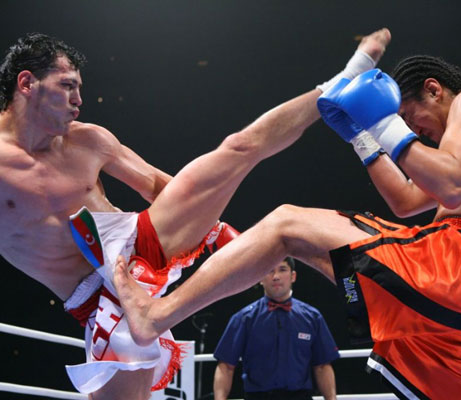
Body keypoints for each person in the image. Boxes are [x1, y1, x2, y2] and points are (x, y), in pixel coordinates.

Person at [114, 54, 461, 399]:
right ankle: (361, 301)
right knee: (306, 247)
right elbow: (407, 201)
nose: (414, 132)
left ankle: (155, 317)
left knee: (285, 223)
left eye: (411, 117)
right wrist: (363, 136)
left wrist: (385, 124)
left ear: (434, 89)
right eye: (405, 125)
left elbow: (450, 183)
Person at [0, 29, 390, 400]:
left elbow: (154, 186)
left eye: (79, 87)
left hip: (143, 240)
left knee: (238, 149)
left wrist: (210, 226)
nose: (79, 100)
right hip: (99, 300)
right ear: (27, 84)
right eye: (68, 85)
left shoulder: (88, 140)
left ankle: (336, 85)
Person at [213, 257, 339, 400]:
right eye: (269, 271)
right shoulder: (244, 318)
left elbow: (322, 366)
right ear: (259, 278)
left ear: (293, 276)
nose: (276, 276)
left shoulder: (312, 317)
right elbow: (226, 366)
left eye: (282, 270)